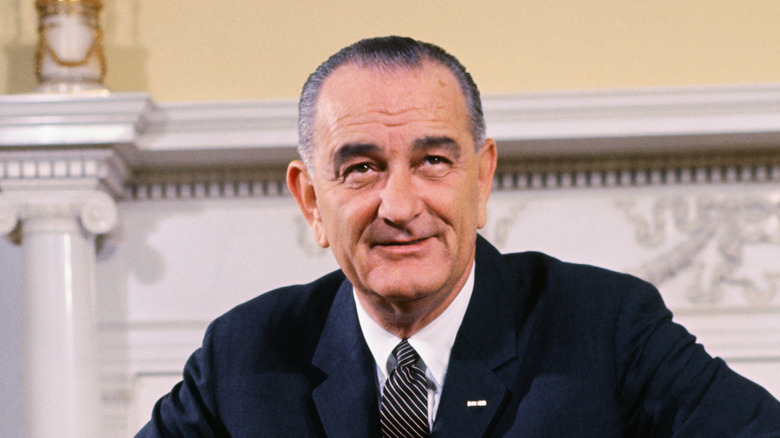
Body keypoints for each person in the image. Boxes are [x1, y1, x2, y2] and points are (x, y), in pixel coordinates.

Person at [137, 36, 780, 437]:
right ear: (311, 199)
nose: (399, 205)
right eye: (361, 168)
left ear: (482, 179)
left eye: (433, 162)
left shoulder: (605, 328)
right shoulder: (243, 358)